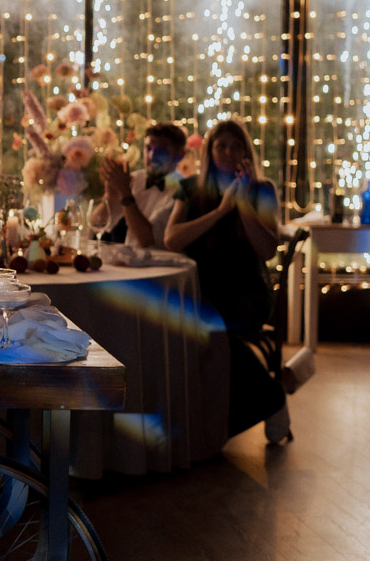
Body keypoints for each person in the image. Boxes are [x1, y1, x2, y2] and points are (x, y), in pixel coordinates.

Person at [164, 118, 289, 443]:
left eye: (236, 146)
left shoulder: (262, 189)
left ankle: (269, 400)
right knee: (174, 321)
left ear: (246, 152)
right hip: (202, 290)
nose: (229, 152)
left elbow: (267, 250)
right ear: (209, 151)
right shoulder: (191, 189)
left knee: (211, 328)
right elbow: (172, 239)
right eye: (222, 146)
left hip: (247, 292)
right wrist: (221, 210)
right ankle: (207, 419)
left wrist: (243, 202)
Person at [94, 121, 187, 248]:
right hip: (129, 258)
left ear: (179, 155)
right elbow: (97, 223)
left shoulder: (183, 190)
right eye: (148, 148)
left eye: (161, 150)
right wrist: (110, 196)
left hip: (163, 260)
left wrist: (125, 194)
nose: (152, 156)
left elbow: (148, 240)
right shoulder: (135, 179)